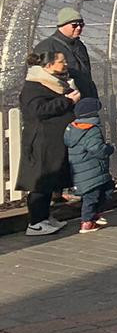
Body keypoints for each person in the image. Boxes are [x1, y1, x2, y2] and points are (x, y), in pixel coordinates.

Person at [19, 47, 79, 236]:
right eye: (61, 61)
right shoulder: (34, 86)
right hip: (40, 142)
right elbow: (38, 111)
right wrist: (67, 101)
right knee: (39, 182)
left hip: (52, 141)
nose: (66, 64)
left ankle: (45, 217)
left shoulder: (55, 83)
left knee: (50, 180)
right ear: (48, 65)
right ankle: (35, 222)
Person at [64, 97, 116, 233]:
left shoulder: (72, 128)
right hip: (92, 170)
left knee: (106, 189)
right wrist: (109, 148)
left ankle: (94, 215)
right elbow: (97, 149)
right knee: (92, 196)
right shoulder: (91, 130)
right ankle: (87, 221)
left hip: (84, 170)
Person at [40, 7, 97, 99]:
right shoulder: (47, 47)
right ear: (62, 25)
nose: (79, 28)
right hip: (65, 103)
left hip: (85, 101)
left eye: (81, 25)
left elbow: (87, 74)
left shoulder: (79, 45)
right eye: (74, 25)